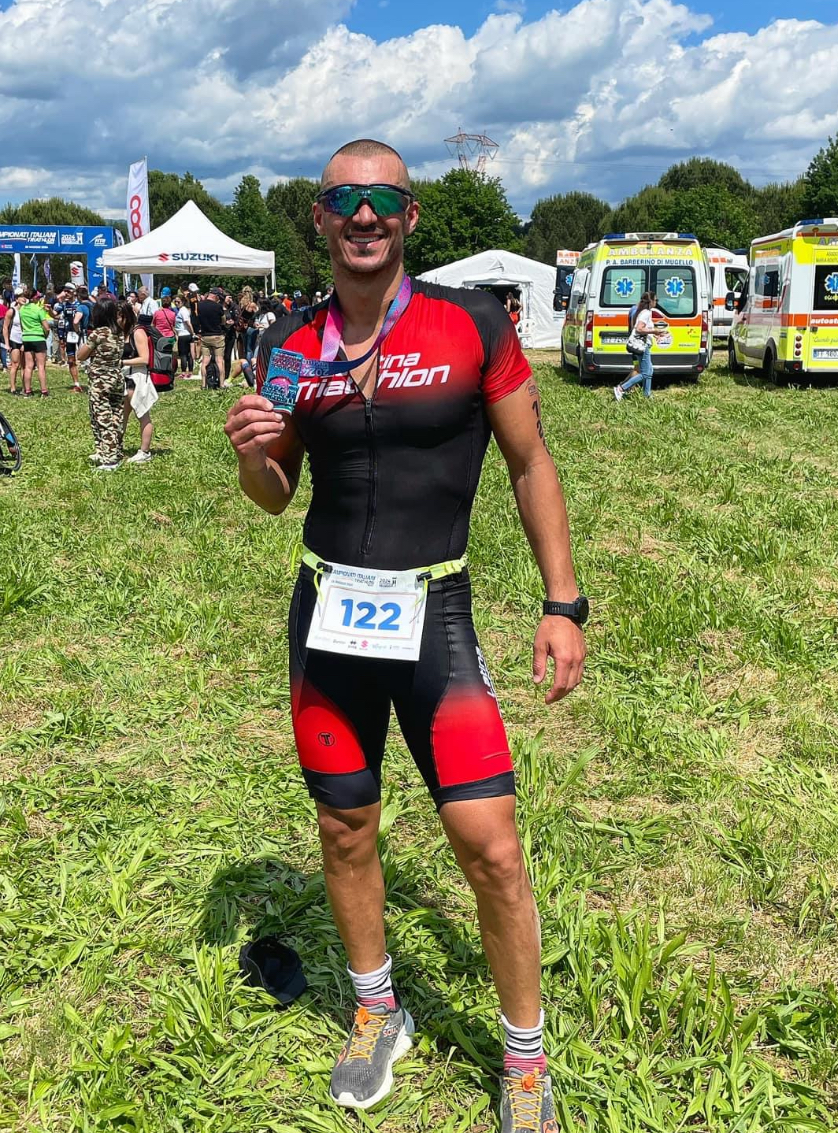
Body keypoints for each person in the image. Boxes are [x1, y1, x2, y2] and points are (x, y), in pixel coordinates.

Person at [224, 139, 586, 1132]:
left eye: (383, 200)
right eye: (344, 199)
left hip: (435, 613)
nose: (364, 216)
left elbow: (529, 462)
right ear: (319, 217)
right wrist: (253, 458)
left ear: (410, 217)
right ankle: (377, 1009)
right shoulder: (288, 341)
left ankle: (523, 1061)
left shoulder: (471, 323)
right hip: (328, 614)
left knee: (491, 847)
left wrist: (562, 602)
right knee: (344, 828)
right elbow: (274, 492)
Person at [77, 297, 126, 470]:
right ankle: (112, 451)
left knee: (102, 418)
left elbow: (80, 355)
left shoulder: (98, 333)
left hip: (101, 380)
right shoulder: (119, 332)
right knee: (116, 416)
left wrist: (92, 351)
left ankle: (110, 459)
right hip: (117, 377)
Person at [117, 301, 155, 464]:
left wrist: (122, 362)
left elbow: (145, 358)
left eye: (117, 317)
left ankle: (145, 451)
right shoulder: (123, 332)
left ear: (125, 316)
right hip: (126, 377)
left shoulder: (137, 332)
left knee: (142, 415)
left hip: (138, 377)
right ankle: (115, 447)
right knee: (121, 415)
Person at [613, 291, 664, 401]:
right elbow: (639, 329)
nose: (656, 302)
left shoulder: (644, 312)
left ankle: (647, 395)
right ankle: (621, 388)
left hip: (644, 345)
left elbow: (643, 329)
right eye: (656, 300)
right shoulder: (646, 313)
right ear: (650, 301)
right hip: (642, 346)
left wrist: (654, 335)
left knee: (649, 371)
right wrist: (654, 331)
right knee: (645, 373)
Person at [19, 288, 53, 397]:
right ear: (34, 298)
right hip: (38, 338)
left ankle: (28, 390)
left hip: (27, 338)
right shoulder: (38, 310)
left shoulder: (22, 309)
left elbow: (21, 325)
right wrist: (45, 335)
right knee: (41, 366)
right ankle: (44, 391)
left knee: (28, 366)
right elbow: (46, 327)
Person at [197, 287, 225, 388]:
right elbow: (223, 321)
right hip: (217, 336)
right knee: (219, 360)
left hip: (205, 336)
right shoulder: (218, 306)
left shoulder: (199, 305)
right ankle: (221, 384)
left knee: (205, 361)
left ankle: (204, 384)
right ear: (216, 296)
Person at [174, 293, 194, 378]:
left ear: (182, 302)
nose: (176, 303)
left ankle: (185, 372)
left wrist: (192, 333)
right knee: (186, 354)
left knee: (184, 354)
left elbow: (187, 323)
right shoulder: (181, 310)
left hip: (185, 334)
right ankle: (188, 371)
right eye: (175, 302)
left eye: (178, 302)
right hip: (182, 333)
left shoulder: (183, 310)